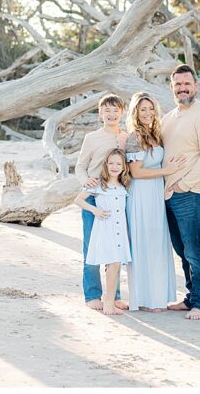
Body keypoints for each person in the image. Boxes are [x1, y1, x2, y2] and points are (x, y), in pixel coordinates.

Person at [160, 64, 200, 320]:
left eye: (186, 84)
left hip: (192, 193)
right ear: (171, 88)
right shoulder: (169, 117)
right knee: (182, 251)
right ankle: (191, 297)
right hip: (169, 195)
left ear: (196, 86)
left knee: (195, 251)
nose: (182, 88)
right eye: (178, 85)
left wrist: (185, 184)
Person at [124, 92, 189, 312]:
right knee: (143, 243)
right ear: (135, 112)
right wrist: (166, 170)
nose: (148, 113)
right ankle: (144, 299)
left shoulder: (155, 134)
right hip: (141, 195)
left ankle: (158, 296)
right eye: (143, 109)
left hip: (156, 195)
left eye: (151, 109)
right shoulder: (134, 137)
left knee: (157, 243)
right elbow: (136, 173)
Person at [75, 94, 128, 311]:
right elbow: (80, 166)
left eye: (115, 110)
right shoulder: (92, 138)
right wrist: (84, 180)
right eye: (107, 110)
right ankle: (92, 294)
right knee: (92, 247)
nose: (111, 114)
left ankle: (113, 296)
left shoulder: (125, 138)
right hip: (94, 197)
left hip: (116, 197)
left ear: (122, 113)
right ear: (100, 113)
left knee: (114, 247)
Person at [73, 149, 132, 316]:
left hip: (120, 230)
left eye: (118, 164)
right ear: (106, 164)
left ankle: (110, 300)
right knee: (112, 263)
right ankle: (108, 304)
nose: (114, 166)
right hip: (105, 228)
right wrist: (95, 210)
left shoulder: (123, 185)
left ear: (124, 167)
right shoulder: (99, 183)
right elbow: (78, 200)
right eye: (111, 163)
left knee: (115, 265)